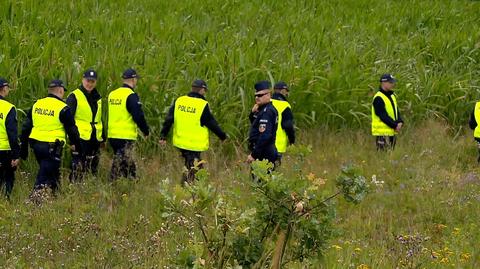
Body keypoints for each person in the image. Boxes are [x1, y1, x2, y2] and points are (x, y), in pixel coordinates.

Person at [20, 79, 81, 194]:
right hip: (52, 147)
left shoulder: (37, 104)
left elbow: (26, 127)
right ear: (60, 90)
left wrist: (23, 148)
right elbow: (72, 130)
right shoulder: (62, 107)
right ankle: (34, 200)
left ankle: (56, 195)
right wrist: (76, 145)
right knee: (43, 175)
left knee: (53, 173)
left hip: (36, 145)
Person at [160, 79, 227, 184]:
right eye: (205, 90)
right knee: (194, 168)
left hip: (180, 142)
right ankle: (186, 188)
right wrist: (222, 136)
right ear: (202, 90)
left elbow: (169, 119)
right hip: (194, 144)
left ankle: (192, 189)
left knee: (194, 167)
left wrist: (163, 135)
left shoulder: (180, 101)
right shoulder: (202, 104)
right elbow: (211, 123)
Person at [107, 68, 149, 180]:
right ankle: (114, 182)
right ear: (134, 79)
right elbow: (138, 116)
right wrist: (145, 131)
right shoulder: (131, 95)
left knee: (125, 162)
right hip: (125, 135)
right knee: (121, 162)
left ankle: (130, 182)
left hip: (112, 135)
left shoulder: (113, 94)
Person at [66, 69, 104, 181]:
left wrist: (103, 138)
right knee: (78, 165)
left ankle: (89, 187)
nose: (90, 84)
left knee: (93, 164)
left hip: (94, 136)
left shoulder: (97, 97)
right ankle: (75, 187)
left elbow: (99, 118)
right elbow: (68, 119)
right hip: (80, 136)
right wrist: (71, 140)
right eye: (88, 81)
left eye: (92, 81)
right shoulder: (74, 96)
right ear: (83, 80)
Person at [247, 80, 278, 166]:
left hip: (264, 153)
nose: (257, 97)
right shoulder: (262, 110)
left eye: (260, 95)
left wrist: (254, 155)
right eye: (256, 95)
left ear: (268, 95)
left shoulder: (267, 111)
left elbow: (265, 135)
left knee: (261, 178)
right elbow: (255, 125)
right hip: (261, 151)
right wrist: (252, 113)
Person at [371, 74, 404, 151]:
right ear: (383, 83)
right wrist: (395, 125)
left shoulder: (392, 96)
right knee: (383, 157)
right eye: (390, 82)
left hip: (392, 132)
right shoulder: (378, 97)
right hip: (382, 134)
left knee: (391, 157)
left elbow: (396, 111)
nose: (393, 84)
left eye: (393, 82)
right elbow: (382, 115)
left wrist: (400, 121)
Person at [0, 78, 20, 199]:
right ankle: (6, 202)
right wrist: (16, 155)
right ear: (4, 89)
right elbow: (12, 134)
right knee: (7, 178)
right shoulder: (8, 108)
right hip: (3, 149)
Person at [271, 81, 295, 161]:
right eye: (287, 91)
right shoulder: (284, 105)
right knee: (273, 171)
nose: (287, 93)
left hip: (262, 145)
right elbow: (288, 125)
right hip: (277, 146)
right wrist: (292, 140)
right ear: (282, 91)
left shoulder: (266, 102)